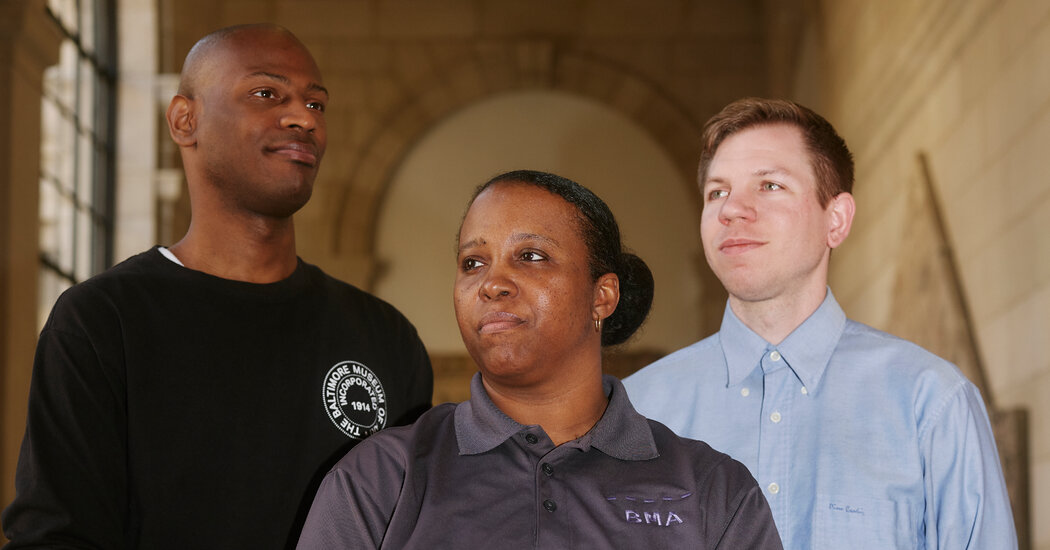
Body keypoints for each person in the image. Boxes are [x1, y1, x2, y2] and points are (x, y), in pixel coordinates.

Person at [1, 24, 432, 549]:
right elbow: (54, 537)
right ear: (186, 120)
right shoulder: (102, 321)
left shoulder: (385, 338)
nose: (303, 118)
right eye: (266, 93)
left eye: (316, 105)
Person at [296, 170, 783, 549]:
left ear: (602, 296)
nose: (492, 282)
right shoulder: (383, 478)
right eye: (473, 262)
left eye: (531, 256)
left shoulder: (712, 488)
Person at [623, 98, 1017, 549]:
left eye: (769, 185)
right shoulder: (639, 411)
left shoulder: (932, 404)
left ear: (837, 219)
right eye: (717, 192)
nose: (731, 210)